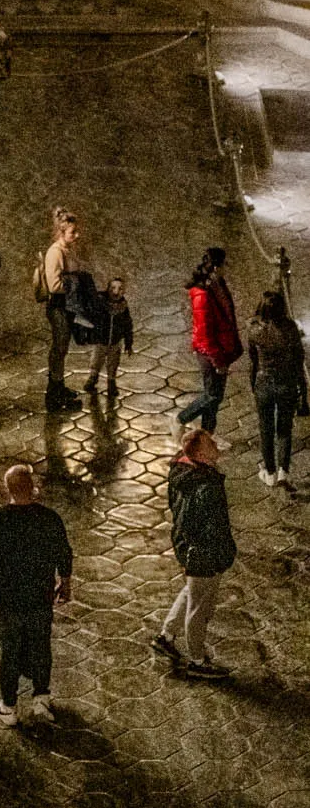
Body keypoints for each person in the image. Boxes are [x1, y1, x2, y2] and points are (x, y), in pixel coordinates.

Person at [0, 464, 73, 725]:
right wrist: (66, 581)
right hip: (40, 595)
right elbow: (64, 552)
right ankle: (41, 698)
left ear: (7, 489)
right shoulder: (49, 518)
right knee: (41, 646)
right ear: (33, 488)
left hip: (8, 597)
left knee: (9, 651)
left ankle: (9, 707)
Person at [152, 427, 237, 679]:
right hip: (204, 553)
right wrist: (222, 552)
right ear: (200, 454)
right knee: (200, 609)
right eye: (211, 445)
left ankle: (166, 637)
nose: (216, 446)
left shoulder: (182, 471)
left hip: (189, 549)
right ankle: (198, 660)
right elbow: (210, 527)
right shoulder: (205, 487)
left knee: (192, 591)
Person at [177, 247, 243, 436]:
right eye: (224, 265)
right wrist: (218, 360)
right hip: (210, 353)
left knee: (215, 397)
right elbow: (205, 334)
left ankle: (207, 436)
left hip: (221, 348)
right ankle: (181, 419)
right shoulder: (203, 294)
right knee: (212, 395)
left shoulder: (217, 283)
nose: (226, 268)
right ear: (215, 267)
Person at [247, 287, 304, 486]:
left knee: (266, 428)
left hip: (264, 382)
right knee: (285, 429)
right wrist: (302, 389)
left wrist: (253, 382)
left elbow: (253, 360)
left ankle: (269, 472)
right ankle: (283, 471)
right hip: (286, 383)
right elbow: (299, 359)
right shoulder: (290, 329)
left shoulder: (254, 329)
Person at [38, 208, 86, 414]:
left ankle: (58, 386)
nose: (77, 235)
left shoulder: (67, 249)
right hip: (59, 307)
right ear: (61, 232)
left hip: (67, 306)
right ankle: (53, 395)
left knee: (62, 348)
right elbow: (54, 285)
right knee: (59, 349)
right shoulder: (55, 253)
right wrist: (76, 286)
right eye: (72, 232)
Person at [84, 275, 133, 399]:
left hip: (115, 342)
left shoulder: (123, 307)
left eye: (120, 289)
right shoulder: (101, 303)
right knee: (96, 361)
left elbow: (128, 325)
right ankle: (93, 378)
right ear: (108, 289)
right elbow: (92, 315)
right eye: (113, 288)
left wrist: (128, 342)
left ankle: (111, 383)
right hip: (101, 340)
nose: (116, 292)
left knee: (113, 363)